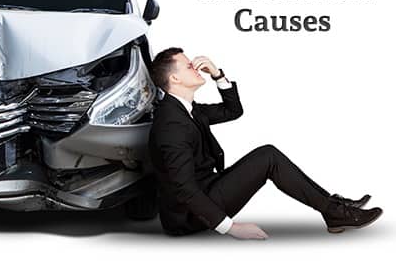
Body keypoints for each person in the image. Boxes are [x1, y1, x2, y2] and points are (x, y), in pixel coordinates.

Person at [147, 47, 383, 239]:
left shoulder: (187, 110)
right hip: (188, 216)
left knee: (268, 155)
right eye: (189, 65)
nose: (197, 65)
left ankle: (332, 206)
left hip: (207, 189)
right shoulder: (171, 124)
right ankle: (334, 212)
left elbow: (233, 110)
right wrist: (230, 228)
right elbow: (184, 188)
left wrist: (217, 74)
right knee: (267, 156)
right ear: (174, 78)